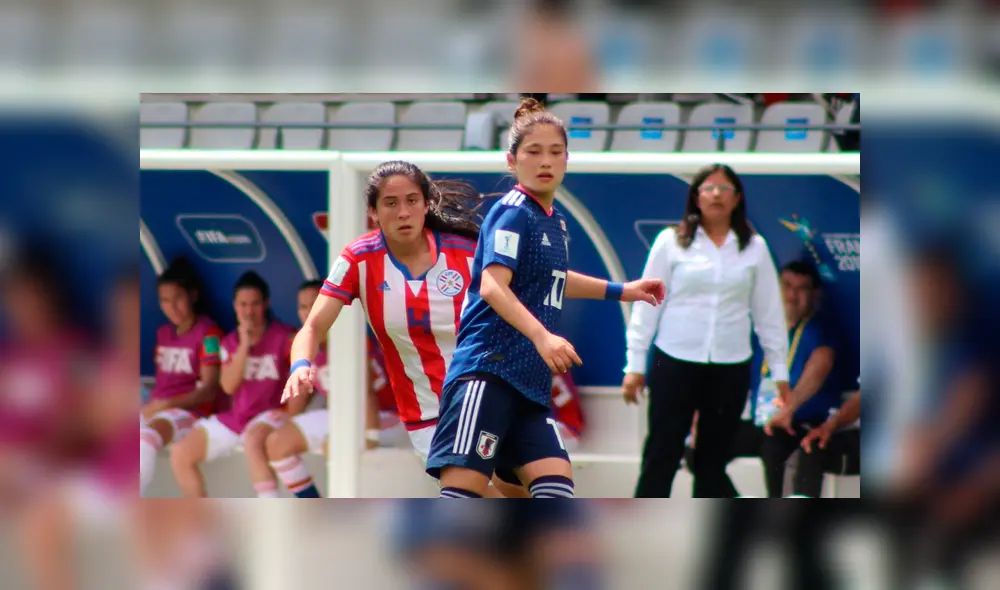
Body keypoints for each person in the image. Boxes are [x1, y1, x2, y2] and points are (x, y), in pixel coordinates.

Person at [425, 98, 665, 499]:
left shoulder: (553, 219)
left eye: (555, 152)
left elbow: (551, 277)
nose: (545, 160)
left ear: (567, 159)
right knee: (460, 501)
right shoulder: (513, 210)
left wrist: (622, 291)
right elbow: (492, 286)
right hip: (489, 375)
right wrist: (543, 337)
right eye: (533, 152)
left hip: (528, 386)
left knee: (556, 493)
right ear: (511, 160)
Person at [283, 160, 529, 497]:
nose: (403, 212)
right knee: (473, 498)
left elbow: (527, 294)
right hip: (427, 415)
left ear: (426, 205)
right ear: (373, 211)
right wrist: (301, 366)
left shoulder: (466, 252)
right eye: (390, 203)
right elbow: (312, 326)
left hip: (484, 397)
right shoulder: (359, 259)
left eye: (412, 201)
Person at [623, 163, 789, 498]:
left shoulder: (755, 248)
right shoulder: (671, 242)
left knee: (712, 463)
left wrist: (781, 373)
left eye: (724, 189)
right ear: (696, 198)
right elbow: (646, 304)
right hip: (675, 362)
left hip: (730, 366)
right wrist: (636, 366)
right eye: (708, 188)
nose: (716, 195)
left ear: (737, 198)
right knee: (662, 454)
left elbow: (769, 314)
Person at [170, 271, 294, 498]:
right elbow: (228, 386)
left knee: (254, 441)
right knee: (180, 454)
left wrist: (292, 413)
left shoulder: (284, 337)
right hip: (237, 418)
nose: (249, 311)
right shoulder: (230, 341)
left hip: (268, 415)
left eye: (255, 304)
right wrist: (245, 345)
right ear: (235, 306)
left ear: (266, 304)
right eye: (243, 304)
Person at [139, 257, 225, 496]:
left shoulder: (208, 333)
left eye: (178, 298)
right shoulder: (164, 333)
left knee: (144, 438)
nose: (172, 307)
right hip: (158, 408)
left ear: (193, 296)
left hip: (190, 413)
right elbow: (162, 385)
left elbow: (208, 390)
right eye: (165, 300)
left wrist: (165, 404)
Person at [758, 260, 841, 498]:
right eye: (786, 286)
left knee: (774, 444)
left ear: (815, 294)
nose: (792, 295)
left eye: (801, 289)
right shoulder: (764, 327)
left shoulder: (820, 330)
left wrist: (789, 408)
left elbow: (821, 364)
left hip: (801, 421)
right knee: (701, 450)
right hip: (761, 418)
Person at [256, 280, 328, 498]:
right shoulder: (306, 343)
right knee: (275, 442)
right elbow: (296, 402)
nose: (308, 312)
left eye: (314, 304)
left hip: (381, 416)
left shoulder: (344, 338)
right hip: (340, 416)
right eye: (303, 307)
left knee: (335, 448)